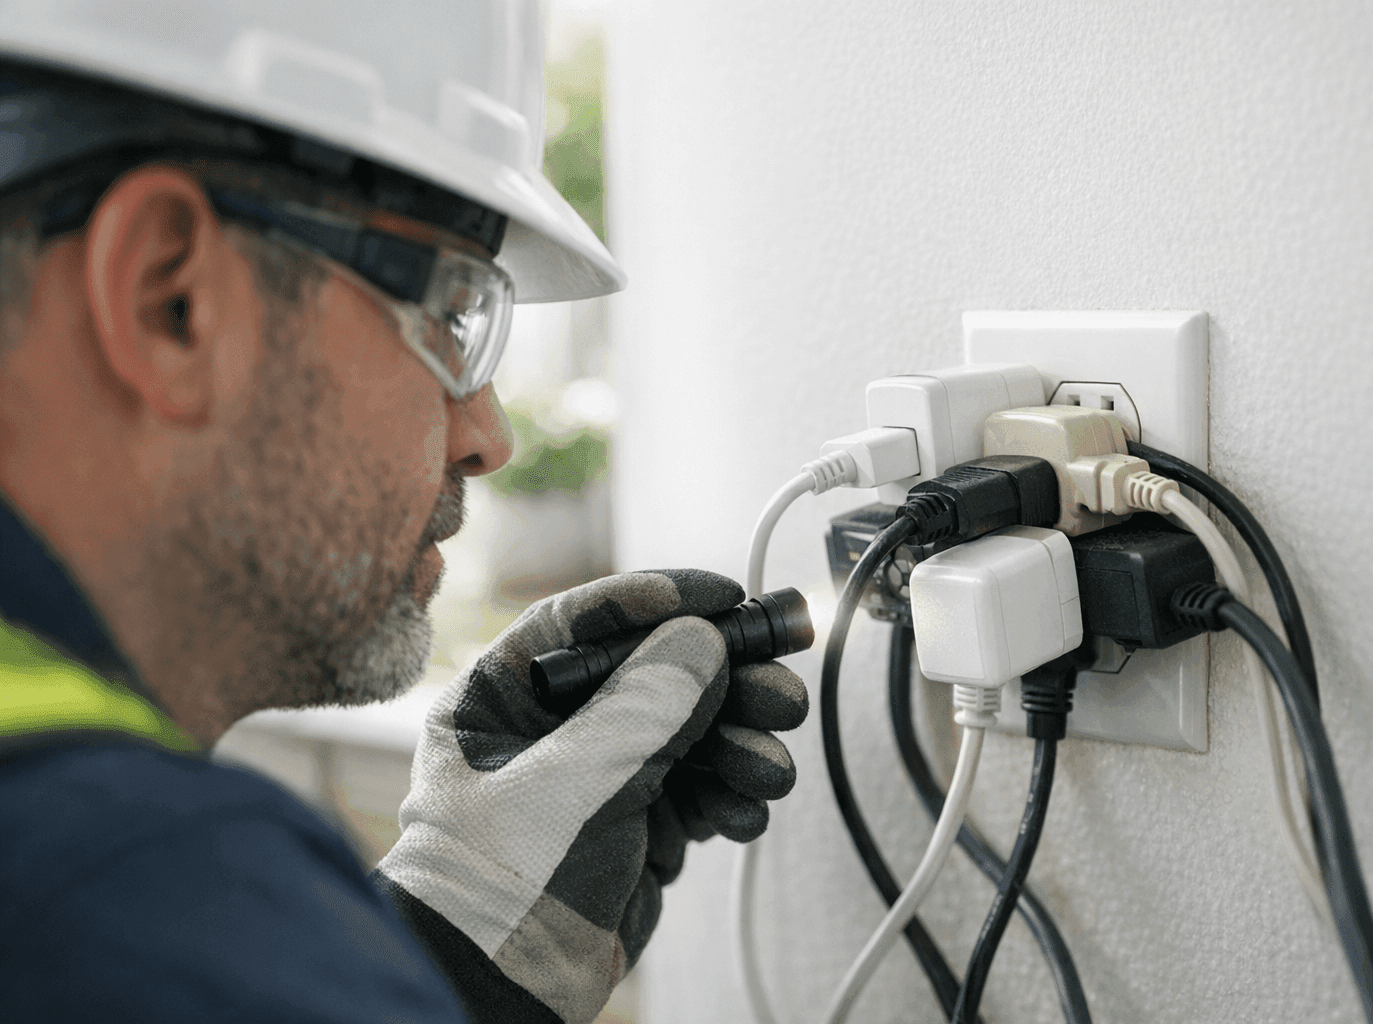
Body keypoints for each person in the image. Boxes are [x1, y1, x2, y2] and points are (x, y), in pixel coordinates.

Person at [0, 4, 807, 1022]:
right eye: (451, 311)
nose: (488, 433)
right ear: (173, 302)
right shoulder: (138, 894)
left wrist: (455, 949)